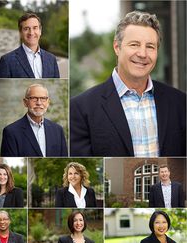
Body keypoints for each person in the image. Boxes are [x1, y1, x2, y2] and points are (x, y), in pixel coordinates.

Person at [70, 11, 186, 157]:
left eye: (150, 46)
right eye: (134, 44)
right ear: (117, 47)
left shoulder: (180, 102)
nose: (142, 54)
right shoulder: (80, 109)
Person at [0, 83, 68, 157]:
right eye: (34, 98)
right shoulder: (11, 132)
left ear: (48, 102)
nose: (39, 103)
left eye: (43, 98)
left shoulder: (57, 130)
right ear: (25, 102)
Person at [0, 13, 60, 78]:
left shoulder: (52, 59)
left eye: (35, 28)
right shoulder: (7, 61)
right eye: (26, 29)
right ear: (20, 33)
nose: (31, 33)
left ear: (40, 31)